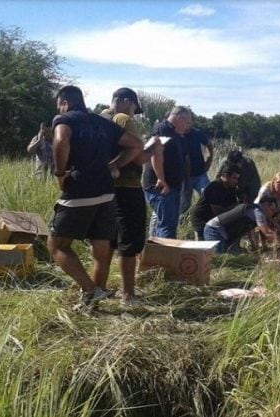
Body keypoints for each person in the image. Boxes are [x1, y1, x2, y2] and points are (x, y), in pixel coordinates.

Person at [46, 85, 148, 310]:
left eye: (59, 105)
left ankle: (90, 289)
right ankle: (92, 303)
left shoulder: (65, 119)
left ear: (64, 102)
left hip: (80, 189)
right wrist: (114, 167)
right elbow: (136, 145)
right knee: (101, 249)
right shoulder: (102, 122)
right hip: (107, 192)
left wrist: (60, 173)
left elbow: (61, 141)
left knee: (57, 246)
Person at [100, 87, 162, 307]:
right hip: (127, 188)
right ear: (126, 101)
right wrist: (153, 148)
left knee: (105, 241)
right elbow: (137, 156)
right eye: (135, 107)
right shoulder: (124, 119)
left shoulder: (99, 119)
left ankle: (99, 288)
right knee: (128, 242)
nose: (135, 113)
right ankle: (128, 295)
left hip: (103, 189)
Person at [144, 106, 191, 238]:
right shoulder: (163, 130)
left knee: (168, 223)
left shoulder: (177, 134)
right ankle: (166, 256)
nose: (187, 127)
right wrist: (161, 179)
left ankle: (156, 253)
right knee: (167, 226)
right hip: (162, 187)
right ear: (180, 118)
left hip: (173, 187)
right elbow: (155, 153)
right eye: (186, 122)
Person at [203, 198, 280, 254]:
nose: (271, 213)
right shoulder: (257, 211)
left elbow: (251, 232)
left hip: (226, 235)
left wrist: (257, 252)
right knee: (218, 258)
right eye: (272, 210)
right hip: (214, 230)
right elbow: (267, 232)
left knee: (235, 258)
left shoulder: (254, 212)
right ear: (266, 204)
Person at [191, 164, 241, 240]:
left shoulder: (231, 189)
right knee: (201, 248)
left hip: (213, 221)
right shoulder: (214, 187)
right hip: (201, 220)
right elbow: (218, 211)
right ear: (226, 175)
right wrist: (237, 207)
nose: (236, 181)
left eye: (237, 179)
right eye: (234, 178)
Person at [180, 127, 214, 216]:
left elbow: (209, 144)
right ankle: (183, 224)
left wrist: (209, 160)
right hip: (184, 177)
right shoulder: (178, 134)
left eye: (188, 120)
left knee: (209, 195)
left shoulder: (197, 133)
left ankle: (208, 218)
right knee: (184, 204)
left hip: (200, 174)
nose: (187, 124)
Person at [254, 172, 280, 239]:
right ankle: (260, 236)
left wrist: (276, 220)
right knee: (266, 229)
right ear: (274, 182)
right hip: (261, 211)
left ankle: (275, 240)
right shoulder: (265, 190)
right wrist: (274, 223)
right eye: (278, 184)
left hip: (276, 211)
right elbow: (263, 210)